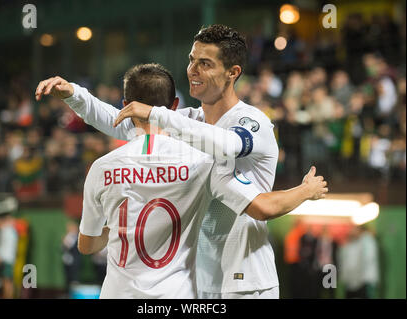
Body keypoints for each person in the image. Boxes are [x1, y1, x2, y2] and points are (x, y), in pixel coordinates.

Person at [35, 25, 325, 298]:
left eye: (205, 63)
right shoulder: (187, 121)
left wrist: (157, 114)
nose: (193, 70)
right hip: (201, 277)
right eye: (191, 59)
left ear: (232, 72)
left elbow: (227, 145)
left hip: (246, 277)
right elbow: (128, 122)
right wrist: (75, 95)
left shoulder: (251, 121)